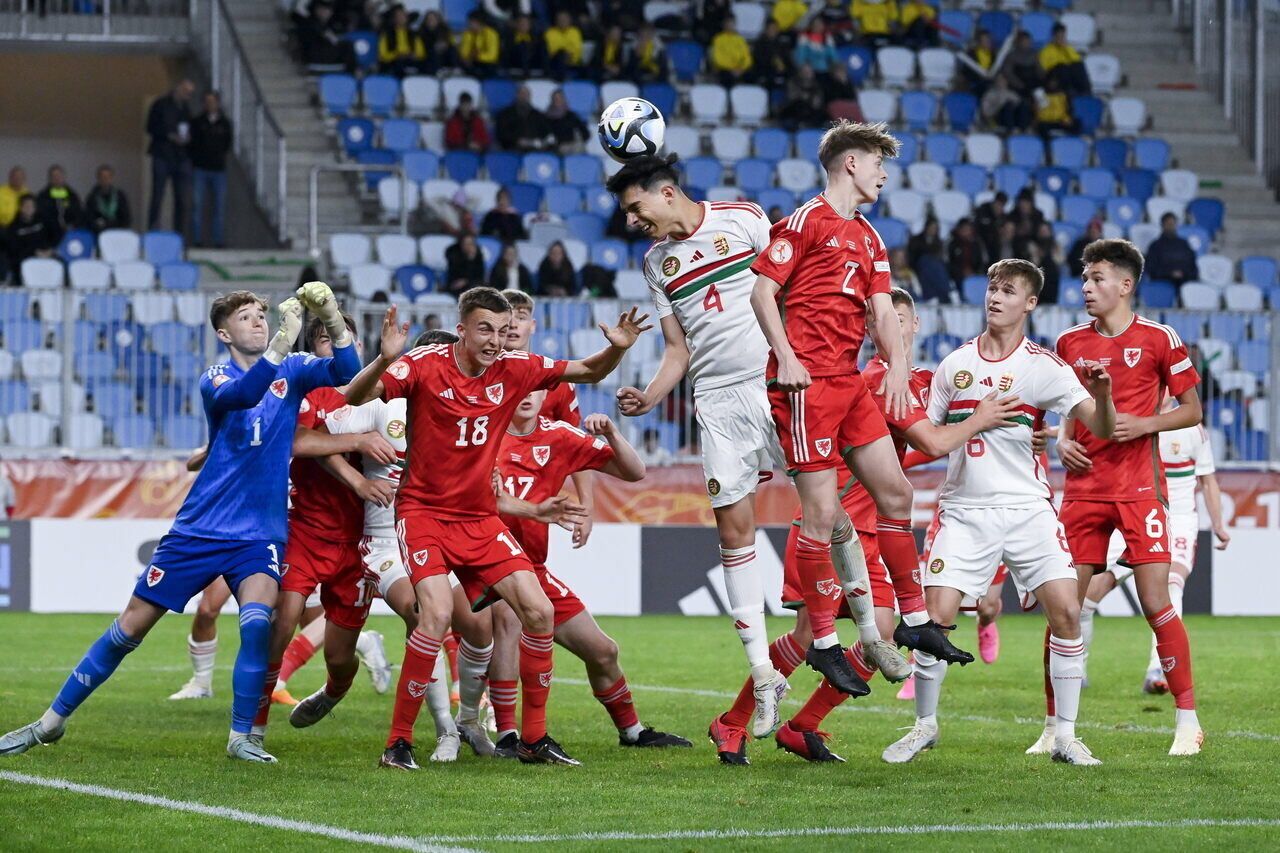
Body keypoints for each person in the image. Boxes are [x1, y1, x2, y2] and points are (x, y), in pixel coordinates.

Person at [609, 156, 911, 743]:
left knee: (830, 511)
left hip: (776, 381)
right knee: (734, 531)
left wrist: (809, 356)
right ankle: (763, 673)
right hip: (717, 402)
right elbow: (678, 350)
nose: (632, 221)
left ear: (665, 193)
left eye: (635, 207)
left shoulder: (744, 218)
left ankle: (871, 635)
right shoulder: (655, 264)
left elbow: (786, 287)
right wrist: (649, 396)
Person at [0, 283, 364, 762]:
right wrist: (280, 342)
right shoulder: (215, 377)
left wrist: (332, 316)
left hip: (259, 534)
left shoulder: (293, 370)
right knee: (129, 629)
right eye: (245, 317)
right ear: (224, 333)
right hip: (200, 530)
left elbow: (348, 371)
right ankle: (50, 722)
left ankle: (242, 737)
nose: (258, 320)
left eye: (261, 314)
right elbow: (245, 394)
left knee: (258, 624)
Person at [341, 287, 651, 769]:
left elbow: (589, 371)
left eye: (503, 331)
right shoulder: (423, 363)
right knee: (435, 616)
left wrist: (618, 348)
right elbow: (351, 398)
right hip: (424, 514)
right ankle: (398, 742)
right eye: (484, 329)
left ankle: (532, 739)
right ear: (461, 329)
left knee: (539, 611)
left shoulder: (516, 368)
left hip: (480, 518)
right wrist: (383, 359)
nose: (495, 340)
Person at [731, 287, 1025, 764]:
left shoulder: (923, 380)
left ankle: (803, 726)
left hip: (873, 533)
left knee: (882, 640)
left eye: (898, 318)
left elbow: (938, 425)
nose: (888, 326)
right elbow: (932, 443)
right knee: (807, 637)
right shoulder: (872, 381)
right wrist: (982, 418)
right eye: (877, 319)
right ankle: (732, 721)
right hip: (833, 528)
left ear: (914, 325)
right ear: (868, 329)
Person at [749, 120, 970, 703]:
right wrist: (786, 357)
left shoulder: (870, 237)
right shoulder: (804, 222)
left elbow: (881, 309)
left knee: (897, 494)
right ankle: (823, 641)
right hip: (805, 386)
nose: (884, 174)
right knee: (822, 513)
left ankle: (915, 619)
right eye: (878, 163)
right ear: (851, 163)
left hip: (847, 383)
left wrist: (896, 366)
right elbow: (761, 292)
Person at [882, 258, 1116, 766]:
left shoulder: (1044, 366)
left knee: (1067, 612)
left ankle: (1065, 736)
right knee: (935, 620)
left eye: (1008, 291)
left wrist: (1103, 394)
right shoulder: (954, 365)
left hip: (1029, 509)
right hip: (964, 510)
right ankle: (924, 726)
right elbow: (929, 438)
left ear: (1029, 303)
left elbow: (1100, 427)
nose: (995, 297)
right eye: (992, 288)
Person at [321, 326, 587, 763]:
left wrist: (534, 510)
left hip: (465, 526)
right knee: (430, 615)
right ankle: (423, 733)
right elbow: (320, 425)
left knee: (486, 623)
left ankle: (472, 723)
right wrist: (356, 465)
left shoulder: (477, 408)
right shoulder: (384, 401)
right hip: (392, 535)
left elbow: (491, 486)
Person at [1051, 238, 1205, 756]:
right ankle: (1054, 728)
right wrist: (1063, 440)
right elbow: (1065, 405)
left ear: (1125, 284)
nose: (1086, 287)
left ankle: (1187, 721)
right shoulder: (1069, 342)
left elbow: (1193, 410)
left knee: (1156, 601)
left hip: (1139, 489)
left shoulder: (1160, 338)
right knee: (1065, 608)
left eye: (1096, 278)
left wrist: (1147, 424)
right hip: (1083, 490)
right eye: (1084, 278)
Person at [489, 392, 692, 751]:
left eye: (536, 388)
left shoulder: (559, 435)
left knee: (603, 651)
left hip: (533, 568)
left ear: (546, 393)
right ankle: (507, 735)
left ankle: (632, 731)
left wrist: (612, 433)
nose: (527, 395)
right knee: (508, 622)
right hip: (485, 560)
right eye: (521, 386)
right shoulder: (485, 433)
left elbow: (635, 472)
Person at [248, 314, 402, 752]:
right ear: (313, 349)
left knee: (339, 655)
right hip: (306, 530)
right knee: (281, 623)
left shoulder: (382, 394)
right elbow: (299, 441)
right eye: (325, 339)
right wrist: (357, 454)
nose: (334, 346)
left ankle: (333, 691)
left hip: (361, 543)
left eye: (342, 339)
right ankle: (252, 730)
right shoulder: (311, 391)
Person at [1078, 407, 1229, 692]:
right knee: (1087, 596)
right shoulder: (1129, 419)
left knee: (1171, 585)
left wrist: (1218, 523)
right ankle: (1076, 668)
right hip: (1135, 514)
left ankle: (1158, 670)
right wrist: (1061, 436)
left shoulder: (1191, 429)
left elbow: (1208, 480)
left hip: (1178, 519)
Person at [146, 78, 195, 233]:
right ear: (178, 88)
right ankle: (153, 229)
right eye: (186, 91)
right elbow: (150, 126)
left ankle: (179, 232)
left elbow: (189, 127)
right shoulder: (160, 104)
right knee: (157, 195)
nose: (188, 95)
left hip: (180, 157)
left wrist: (187, 138)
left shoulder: (186, 108)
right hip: (162, 154)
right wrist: (169, 136)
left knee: (182, 198)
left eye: (190, 93)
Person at [190, 91, 234, 248]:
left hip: (218, 170)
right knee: (197, 206)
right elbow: (192, 143)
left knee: (219, 208)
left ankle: (218, 241)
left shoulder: (224, 123)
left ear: (218, 103)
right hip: (200, 168)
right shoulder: (197, 122)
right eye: (207, 101)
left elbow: (227, 144)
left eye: (213, 101)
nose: (210, 104)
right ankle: (197, 240)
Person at [296, 0, 357, 71]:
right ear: (318, 9)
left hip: (323, 55)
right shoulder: (310, 23)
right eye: (326, 9)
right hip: (315, 57)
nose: (330, 13)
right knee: (348, 45)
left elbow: (333, 40)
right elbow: (330, 40)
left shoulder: (325, 24)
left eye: (330, 10)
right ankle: (352, 72)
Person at [7, 195, 57, 280]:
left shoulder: (43, 221)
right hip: (25, 259)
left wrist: (50, 250)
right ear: (20, 208)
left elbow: (54, 236)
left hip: (47, 254)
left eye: (32, 206)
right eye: (26, 206)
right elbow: (14, 249)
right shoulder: (14, 227)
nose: (29, 208)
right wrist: (34, 252)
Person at [495, 85, 554, 153]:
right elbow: (501, 134)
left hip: (535, 150)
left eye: (526, 94)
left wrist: (543, 142)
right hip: (511, 149)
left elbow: (547, 133)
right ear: (516, 95)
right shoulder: (505, 114)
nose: (523, 97)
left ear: (530, 97)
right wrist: (517, 140)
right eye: (521, 94)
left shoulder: (538, 115)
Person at [1145, 213, 1199, 285]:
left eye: (1173, 223)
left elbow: (1192, 265)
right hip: (1163, 283)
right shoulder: (1155, 246)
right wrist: (1170, 273)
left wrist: (1183, 273)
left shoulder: (1184, 244)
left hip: (1184, 281)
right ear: (1162, 225)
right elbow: (1152, 268)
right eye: (1168, 224)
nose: (1171, 226)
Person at [1040, 23, 1091, 96]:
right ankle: (1070, 92)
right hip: (1054, 73)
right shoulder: (1046, 50)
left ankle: (1086, 92)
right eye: (1058, 36)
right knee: (1062, 66)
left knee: (1079, 65)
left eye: (1062, 36)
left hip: (1068, 73)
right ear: (1054, 37)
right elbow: (1044, 67)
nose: (1061, 39)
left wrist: (1065, 49)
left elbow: (1077, 60)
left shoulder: (1068, 48)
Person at [35, 165, 82, 240]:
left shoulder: (72, 195)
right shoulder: (43, 196)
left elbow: (78, 213)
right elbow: (42, 217)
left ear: (64, 176)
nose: (56, 178)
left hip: (71, 234)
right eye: (54, 176)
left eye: (59, 176)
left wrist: (72, 225)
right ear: (50, 178)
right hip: (50, 236)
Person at [378, 4, 426, 76]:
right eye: (398, 16)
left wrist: (413, 55)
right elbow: (383, 55)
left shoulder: (413, 34)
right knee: (398, 63)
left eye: (402, 15)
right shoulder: (387, 35)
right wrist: (397, 55)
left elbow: (421, 52)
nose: (400, 18)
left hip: (410, 60)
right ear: (393, 19)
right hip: (395, 62)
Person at [84, 165, 132, 234]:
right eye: (102, 177)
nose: (105, 179)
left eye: (108, 177)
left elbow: (126, 217)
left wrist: (114, 224)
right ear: (98, 178)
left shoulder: (119, 196)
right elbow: (88, 217)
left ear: (111, 178)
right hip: (99, 233)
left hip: (117, 232)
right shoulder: (92, 197)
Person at [779, 64, 829, 131]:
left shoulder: (816, 85)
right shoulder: (793, 82)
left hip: (811, 110)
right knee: (800, 104)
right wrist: (806, 97)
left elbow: (818, 101)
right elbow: (792, 97)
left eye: (809, 72)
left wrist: (814, 100)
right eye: (805, 72)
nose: (807, 74)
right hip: (794, 109)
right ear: (800, 73)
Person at [709, 15, 752, 89]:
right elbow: (717, 59)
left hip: (740, 69)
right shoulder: (718, 39)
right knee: (727, 77)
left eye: (732, 24)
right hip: (725, 69)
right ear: (724, 25)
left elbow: (747, 57)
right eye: (728, 24)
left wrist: (742, 69)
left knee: (752, 76)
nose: (730, 26)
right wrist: (731, 68)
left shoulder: (740, 39)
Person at [751, 19, 791, 93]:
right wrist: (774, 63)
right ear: (766, 29)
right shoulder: (759, 43)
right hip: (766, 70)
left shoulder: (782, 43)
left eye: (775, 28)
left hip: (781, 70)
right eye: (771, 28)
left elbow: (787, 59)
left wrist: (782, 65)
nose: (773, 30)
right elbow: (759, 60)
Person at [947, 217, 988, 290]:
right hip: (958, 275)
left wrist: (975, 271)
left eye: (968, 229)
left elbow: (982, 260)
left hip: (975, 274)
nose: (966, 232)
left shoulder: (977, 243)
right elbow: (950, 262)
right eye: (964, 229)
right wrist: (962, 271)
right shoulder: (953, 244)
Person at [459, 10, 501, 78]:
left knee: (489, 67)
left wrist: (478, 56)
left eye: (471, 22)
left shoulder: (492, 34)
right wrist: (467, 58)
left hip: (486, 63)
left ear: (479, 23)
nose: (468, 24)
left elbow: (492, 56)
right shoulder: (467, 34)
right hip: (472, 61)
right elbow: (464, 53)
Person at [544, 11, 584, 80]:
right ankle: (561, 79)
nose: (563, 21)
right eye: (560, 19)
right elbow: (551, 50)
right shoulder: (550, 32)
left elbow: (577, 49)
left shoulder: (575, 32)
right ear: (556, 21)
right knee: (561, 53)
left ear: (570, 20)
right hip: (555, 61)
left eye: (565, 19)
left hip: (572, 61)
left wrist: (568, 53)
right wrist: (565, 51)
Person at [418, 10, 457, 75]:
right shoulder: (421, 32)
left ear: (437, 20)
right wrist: (435, 48)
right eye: (429, 19)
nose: (431, 21)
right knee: (433, 53)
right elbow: (422, 47)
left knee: (452, 50)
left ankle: (454, 69)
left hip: (443, 54)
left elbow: (451, 44)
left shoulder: (445, 30)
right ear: (425, 21)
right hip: (428, 56)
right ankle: (438, 71)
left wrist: (445, 46)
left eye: (433, 19)